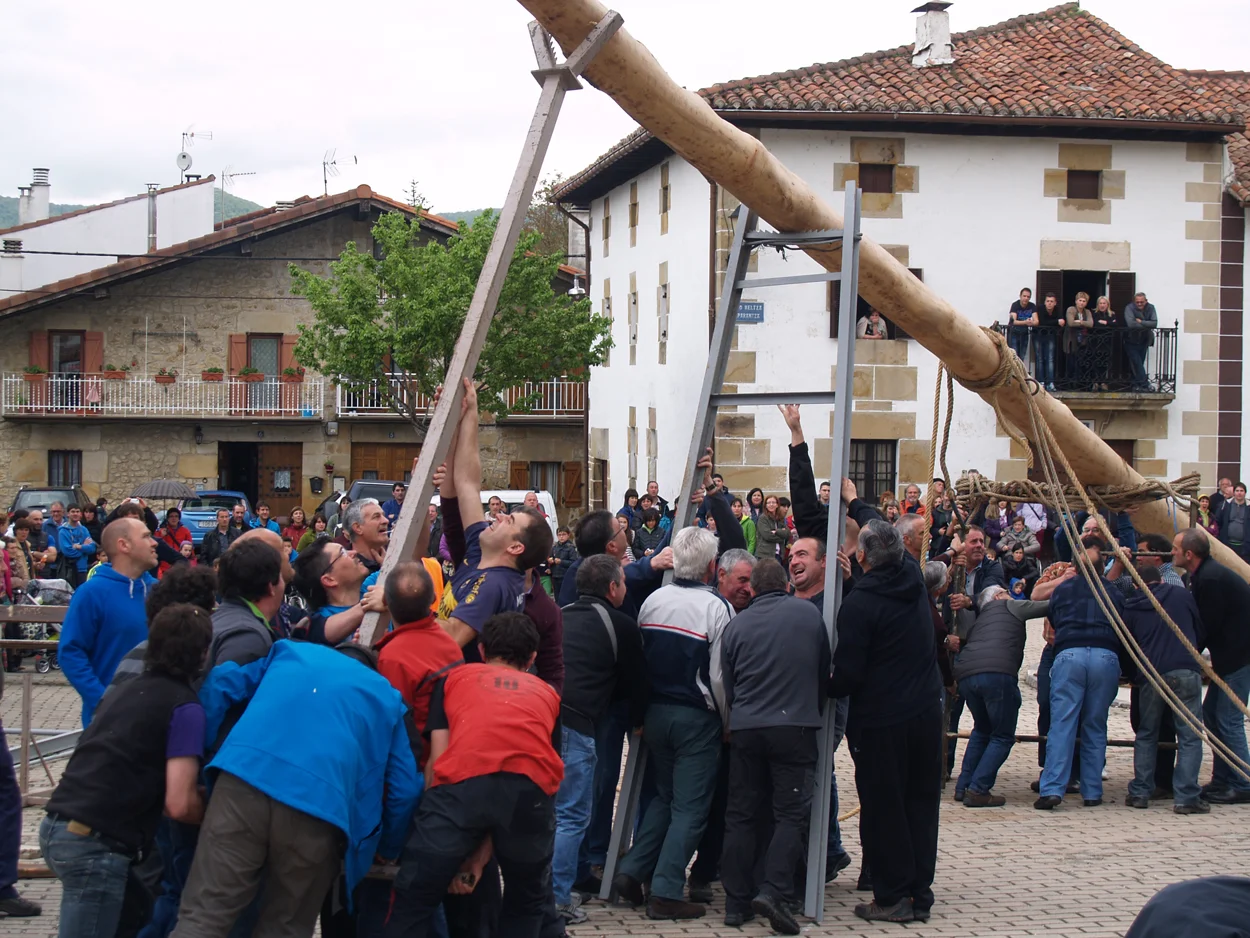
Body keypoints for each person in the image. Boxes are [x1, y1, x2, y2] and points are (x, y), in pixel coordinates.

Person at [174, 641, 421, 937]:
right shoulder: (388, 697)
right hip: (319, 808)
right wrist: (388, 848)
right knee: (285, 927)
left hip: (243, 777)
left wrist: (205, 754)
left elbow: (219, 684)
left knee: (203, 917)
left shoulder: (288, 651)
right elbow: (406, 787)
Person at [384, 612, 562, 936]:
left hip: (461, 788)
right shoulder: (547, 695)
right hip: (530, 794)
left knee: (413, 897)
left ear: (481, 650)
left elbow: (437, 760)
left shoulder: (455, 679)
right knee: (526, 903)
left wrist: (438, 833)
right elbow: (525, 780)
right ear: (533, 658)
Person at [42, 604, 212, 938]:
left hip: (57, 825)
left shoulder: (125, 687)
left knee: (137, 912)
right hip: (95, 843)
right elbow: (179, 804)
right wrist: (225, 812)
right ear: (203, 654)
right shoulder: (184, 707)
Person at [611, 527, 732, 921]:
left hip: (655, 712)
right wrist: (727, 719)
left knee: (665, 797)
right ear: (712, 566)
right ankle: (665, 890)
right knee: (690, 807)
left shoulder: (654, 600)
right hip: (696, 716)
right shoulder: (717, 608)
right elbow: (719, 677)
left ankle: (632, 870)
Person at [829, 519, 941, 923]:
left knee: (884, 808)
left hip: (882, 722)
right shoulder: (912, 579)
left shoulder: (859, 604)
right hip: (926, 713)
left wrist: (820, 683)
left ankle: (892, 895)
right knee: (921, 805)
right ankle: (919, 893)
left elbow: (847, 676)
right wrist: (855, 500)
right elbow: (889, 543)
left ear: (861, 555)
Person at [719, 560, 830, 933]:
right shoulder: (809, 615)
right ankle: (774, 890)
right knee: (789, 814)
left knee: (740, 814)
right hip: (794, 726)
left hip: (747, 728)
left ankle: (735, 903)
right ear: (785, 585)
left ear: (752, 589)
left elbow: (729, 684)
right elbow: (823, 672)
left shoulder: (736, 626)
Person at [552, 556, 646, 923]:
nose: (626, 587)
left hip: (542, 719)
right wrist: (638, 722)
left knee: (553, 812)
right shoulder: (621, 625)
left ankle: (567, 881)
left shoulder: (560, 616)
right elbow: (636, 683)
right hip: (577, 723)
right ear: (612, 587)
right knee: (572, 815)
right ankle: (557, 901)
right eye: (623, 581)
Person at [1034, 535, 1124, 809]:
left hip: (1070, 653)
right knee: (1095, 724)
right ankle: (1092, 790)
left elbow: (1055, 617)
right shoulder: (1112, 591)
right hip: (1105, 655)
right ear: (1101, 568)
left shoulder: (1063, 590)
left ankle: (1053, 789)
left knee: (1063, 723)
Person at [1171, 528, 1250, 804]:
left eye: (1175, 549)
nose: (1172, 553)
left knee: (1228, 719)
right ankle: (1223, 778)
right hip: (1229, 657)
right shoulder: (1203, 575)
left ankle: (1243, 782)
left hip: (1238, 658)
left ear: (1189, 554)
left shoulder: (1211, 579)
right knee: (1212, 714)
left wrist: (1187, 652)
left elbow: (1207, 624)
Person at [1121, 564, 1208, 814]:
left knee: (1147, 732)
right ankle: (1186, 797)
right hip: (1184, 669)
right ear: (1160, 580)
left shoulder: (1131, 606)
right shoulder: (1181, 595)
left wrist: (1133, 676)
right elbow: (1200, 630)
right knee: (1190, 736)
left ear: (1136, 584)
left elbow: (1128, 647)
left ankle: (1140, 792)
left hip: (1151, 673)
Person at [951, 586, 1049, 806]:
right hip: (997, 674)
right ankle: (978, 789)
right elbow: (1047, 606)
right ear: (997, 597)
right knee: (1002, 736)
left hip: (967, 675)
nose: (1011, 595)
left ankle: (962, 786)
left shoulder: (981, 620)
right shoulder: (1010, 606)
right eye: (1006, 592)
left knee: (981, 729)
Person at [60, 518, 158, 726]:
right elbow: (71, 653)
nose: (154, 542)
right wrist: (103, 700)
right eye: (146, 537)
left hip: (155, 717)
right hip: (107, 724)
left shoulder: (161, 591)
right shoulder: (91, 593)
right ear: (124, 545)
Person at [57, 504, 97, 588]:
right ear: (68, 514)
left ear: (80, 514)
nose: (75, 514)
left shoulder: (84, 530)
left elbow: (92, 548)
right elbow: (68, 552)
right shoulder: (63, 531)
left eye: (77, 511)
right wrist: (84, 547)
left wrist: (80, 547)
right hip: (70, 569)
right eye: (73, 511)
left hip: (83, 568)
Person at [1124, 291, 1158, 390]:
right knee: (1136, 362)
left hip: (1144, 339)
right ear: (1134, 301)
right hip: (1131, 339)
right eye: (1137, 302)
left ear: (1146, 301)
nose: (1139, 304)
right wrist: (1146, 324)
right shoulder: (1129, 308)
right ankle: (1145, 385)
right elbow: (1131, 324)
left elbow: (1154, 323)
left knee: (1139, 363)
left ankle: (1136, 385)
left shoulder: (1151, 308)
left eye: (1141, 302)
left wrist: (1141, 321)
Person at [1061, 291, 1095, 384]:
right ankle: (1069, 383)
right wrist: (1083, 323)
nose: (1082, 303)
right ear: (1076, 301)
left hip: (1082, 341)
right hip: (1071, 341)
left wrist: (1080, 322)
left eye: (1084, 301)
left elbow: (1091, 324)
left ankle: (1078, 383)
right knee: (1070, 362)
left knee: (1080, 362)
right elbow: (1071, 323)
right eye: (1080, 300)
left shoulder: (1087, 312)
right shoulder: (1071, 309)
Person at [1214, 482, 1250, 562]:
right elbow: (1218, 521)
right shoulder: (1224, 505)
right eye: (1237, 491)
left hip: (1245, 547)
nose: (1239, 493)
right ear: (1234, 493)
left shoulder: (1248, 507)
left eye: (1241, 491)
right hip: (1227, 545)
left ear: (1245, 493)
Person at [155, 508, 192, 578]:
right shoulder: (162, 531)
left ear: (179, 518)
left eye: (176, 516)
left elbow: (190, 547)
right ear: (167, 518)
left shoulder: (185, 531)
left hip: (179, 563)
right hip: (164, 565)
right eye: (171, 516)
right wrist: (161, 535)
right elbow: (156, 545)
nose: (174, 518)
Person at [1006, 287, 1038, 367]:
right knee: (1013, 355)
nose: (1026, 298)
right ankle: (1013, 372)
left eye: (1028, 297)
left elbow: (1036, 321)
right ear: (1020, 296)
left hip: (1024, 333)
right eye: (1024, 296)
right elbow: (1013, 321)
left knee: (1022, 356)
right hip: (1014, 333)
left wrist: (1031, 322)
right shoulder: (1015, 305)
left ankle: (1019, 372)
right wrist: (1026, 322)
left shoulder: (1032, 306)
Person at [753, 495, 787, 561]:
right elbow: (768, 536)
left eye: (773, 502)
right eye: (768, 503)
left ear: (777, 505)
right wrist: (782, 536)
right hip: (765, 554)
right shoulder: (763, 518)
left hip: (779, 554)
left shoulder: (780, 518)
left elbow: (787, 533)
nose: (771, 504)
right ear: (765, 505)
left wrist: (777, 532)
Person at [548, 525, 579, 599]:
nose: (561, 537)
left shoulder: (571, 548)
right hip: (555, 576)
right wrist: (550, 561)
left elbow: (574, 563)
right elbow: (550, 558)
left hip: (566, 576)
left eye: (564, 534)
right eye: (559, 535)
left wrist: (561, 562)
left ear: (568, 535)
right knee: (557, 597)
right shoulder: (554, 547)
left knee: (567, 597)